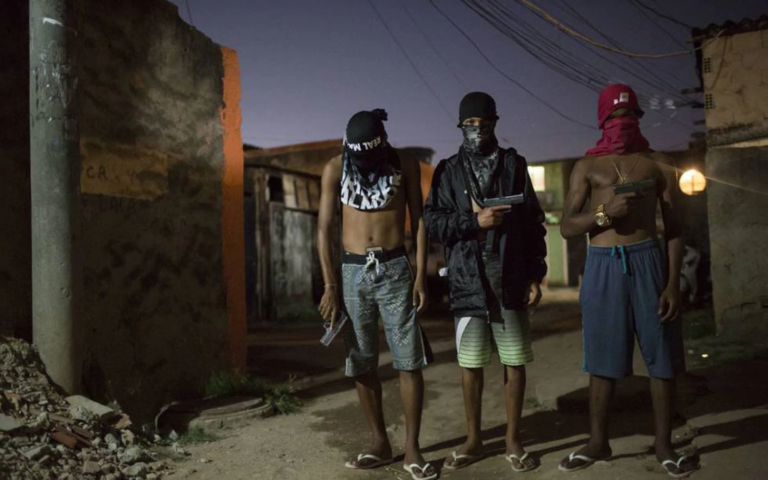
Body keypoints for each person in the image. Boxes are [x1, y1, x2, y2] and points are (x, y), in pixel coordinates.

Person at [558, 84, 697, 478]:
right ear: (602, 122)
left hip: (648, 260)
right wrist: (604, 214)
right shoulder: (587, 166)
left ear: (638, 117)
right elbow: (568, 227)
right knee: (602, 358)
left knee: (661, 355)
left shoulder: (658, 163)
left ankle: (664, 443)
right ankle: (598, 442)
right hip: (603, 264)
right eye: (615, 119)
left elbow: (673, 229)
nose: (622, 125)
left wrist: (672, 283)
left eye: (629, 117)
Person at [424, 92, 547, 473]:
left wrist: (535, 274)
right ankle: (474, 439)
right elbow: (433, 221)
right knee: (470, 363)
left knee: (514, 361)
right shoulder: (448, 170)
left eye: (484, 124)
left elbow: (532, 224)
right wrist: (473, 222)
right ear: (461, 127)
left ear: (496, 123)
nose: (477, 131)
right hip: (466, 278)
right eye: (470, 125)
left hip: (508, 274)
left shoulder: (514, 163)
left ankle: (513, 440)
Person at [317, 109, 436, 480]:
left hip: (396, 267)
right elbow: (324, 231)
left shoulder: (405, 164)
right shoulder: (336, 168)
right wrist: (331, 285)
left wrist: (419, 276)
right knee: (361, 359)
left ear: (384, 140)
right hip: (352, 272)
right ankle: (379, 443)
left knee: (408, 359)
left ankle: (413, 450)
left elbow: (418, 221)